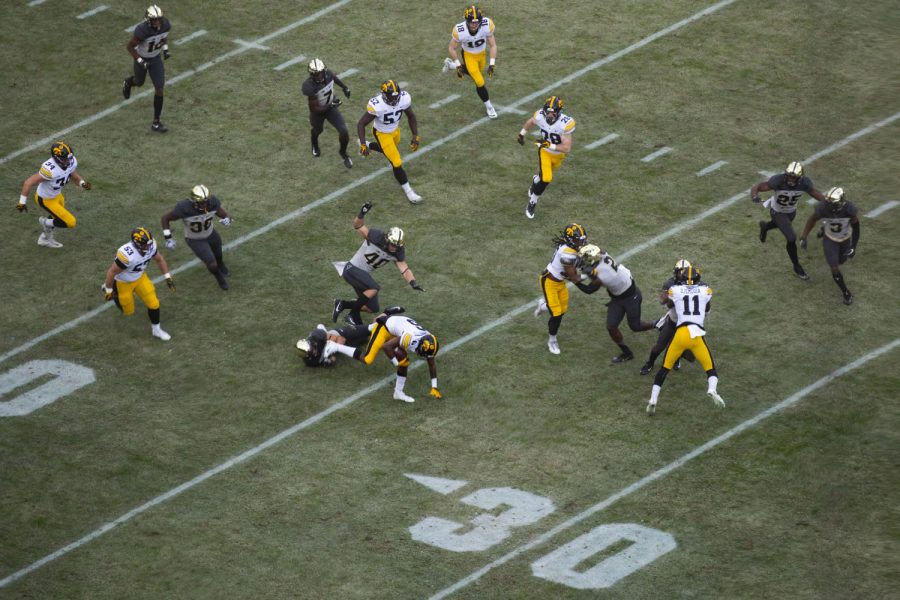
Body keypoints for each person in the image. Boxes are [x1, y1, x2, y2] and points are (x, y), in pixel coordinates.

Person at [646, 262, 725, 416]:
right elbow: (707, 308)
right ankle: (712, 389)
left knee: (664, 369)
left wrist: (668, 294)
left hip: (681, 333)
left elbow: (663, 300)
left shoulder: (675, 289)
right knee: (711, 369)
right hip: (697, 334)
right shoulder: (705, 290)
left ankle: (653, 399)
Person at [332, 202, 424, 326]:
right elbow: (358, 226)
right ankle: (353, 314)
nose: (394, 248)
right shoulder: (375, 237)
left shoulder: (397, 252)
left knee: (372, 308)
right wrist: (362, 213)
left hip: (363, 275)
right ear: (387, 239)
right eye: (393, 244)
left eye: (397, 246)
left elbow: (405, 269)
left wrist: (413, 282)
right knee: (374, 288)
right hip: (351, 269)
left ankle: (342, 304)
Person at [329, 308, 441, 403]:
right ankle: (336, 347)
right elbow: (386, 347)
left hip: (398, 330)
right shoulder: (410, 338)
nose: (424, 355)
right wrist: (396, 363)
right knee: (368, 359)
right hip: (384, 328)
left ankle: (398, 393)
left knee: (404, 361)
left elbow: (431, 364)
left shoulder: (428, 341)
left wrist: (434, 387)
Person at [574, 244, 656, 363]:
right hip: (618, 296)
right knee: (611, 327)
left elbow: (589, 290)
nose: (582, 261)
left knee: (635, 326)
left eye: (584, 259)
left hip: (631, 297)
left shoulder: (601, 274)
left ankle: (658, 324)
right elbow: (597, 250)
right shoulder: (602, 254)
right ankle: (627, 353)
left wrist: (575, 281)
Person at [750, 161, 827, 280]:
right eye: (789, 176)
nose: (791, 179)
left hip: (791, 212)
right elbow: (759, 186)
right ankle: (797, 266)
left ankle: (765, 226)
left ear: (799, 177)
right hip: (777, 211)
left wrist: (826, 202)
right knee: (791, 237)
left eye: (794, 177)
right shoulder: (778, 180)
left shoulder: (804, 183)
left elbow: (814, 192)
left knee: (781, 225)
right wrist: (754, 195)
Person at [102, 227, 176, 341]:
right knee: (128, 311)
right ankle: (111, 290)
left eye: (149, 243)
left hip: (140, 277)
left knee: (154, 303)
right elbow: (112, 272)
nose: (149, 247)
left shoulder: (151, 246)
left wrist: (168, 277)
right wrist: (108, 289)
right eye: (146, 245)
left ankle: (156, 330)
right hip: (123, 282)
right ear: (137, 244)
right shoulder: (126, 254)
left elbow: (160, 259)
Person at [357, 80, 423, 204]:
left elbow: (411, 116)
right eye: (390, 97)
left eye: (396, 97)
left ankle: (370, 145)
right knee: (396, 162)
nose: (394, 100)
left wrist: (415, 136)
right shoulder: (377, 105)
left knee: (388, 151)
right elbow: (361, 123)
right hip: (382, 133)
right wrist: (362, 144)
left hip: (395, 131)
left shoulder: (403, 98)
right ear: (383, 95)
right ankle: (409, 192)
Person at [16, 141, 91, 249]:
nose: (69, 161)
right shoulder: (50, 170)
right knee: (70, 222)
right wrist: (21, 203)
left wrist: (82, 184)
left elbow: (74, 175)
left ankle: (44, 239)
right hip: (45, 199)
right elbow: (28, 182)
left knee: (56, 216)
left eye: (70, 158)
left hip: (57, 196)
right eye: (66, 159)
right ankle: (45, 223)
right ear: (57, 158)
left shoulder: (70, 162)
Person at [160, 184, 232, 290]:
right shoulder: (184, 208)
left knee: (218, 255)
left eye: (205, 201)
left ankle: (221, 265)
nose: (204, 205)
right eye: (201, 202)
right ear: (194, 201)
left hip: (211, 233)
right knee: (212, 264)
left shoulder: (212, 203)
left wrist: (227, 219)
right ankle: (219, 277)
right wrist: (168, 238)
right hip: (195, 239)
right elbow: (165, 218)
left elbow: (225, 215)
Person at [798, 187, 860, 306]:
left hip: (845, 238)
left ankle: (825, 226)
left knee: (842, 260)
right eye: (830, 203)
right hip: (830, 239)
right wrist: (803, 236)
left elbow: (856, 228)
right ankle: (846, 292)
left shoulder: (850, 209)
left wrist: (853, 246)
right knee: (834, 266)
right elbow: (811, 220)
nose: (831, 207)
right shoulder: (823, 207)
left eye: (834, 204)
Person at [533, 223, 588, 354]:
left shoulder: (570, 247)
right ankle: (552, 341)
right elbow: (574, 278)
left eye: (582, 239)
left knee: (562, 310)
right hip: (550, 282)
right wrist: (591, 272)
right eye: (577, 239)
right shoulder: (566, 254)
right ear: (570, 240)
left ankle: (543, 306)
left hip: (560, 282)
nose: (581, 242)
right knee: (556, 314)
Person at [517, 96, 576, 219]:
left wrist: (550, 145)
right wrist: (521, 134)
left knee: (544, 175)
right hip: (544, 151)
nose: (550, 114)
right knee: (547, 178)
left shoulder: (565, 123)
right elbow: (531, 122)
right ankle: (533, 201)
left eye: (553, 112)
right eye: (548, 111)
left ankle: (536, 180)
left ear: (559, 112)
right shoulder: (539, 115)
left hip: (558, 155)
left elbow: (567, 148)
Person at [640, 259, 696, 375]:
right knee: (659, 347)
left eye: (680, 272)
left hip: (687, 324)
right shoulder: (671, 284)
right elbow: (664, 302)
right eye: (678, 272)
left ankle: (677, 356)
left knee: (691, 357)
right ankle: (650, 363)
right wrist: (676, 295)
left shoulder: (696, 285)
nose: (678, 274)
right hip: (673, 321)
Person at [122, 5, 172, 133]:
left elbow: (163, 37)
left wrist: (165, 50)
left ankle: (156, 122)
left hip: (155, 58)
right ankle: (128, 82)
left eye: (159, 19)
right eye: (155, 20)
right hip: (142, 57)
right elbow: (130, 47)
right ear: (149, 20)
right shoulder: (142, 30)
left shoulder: (165, 24)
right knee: (139, 82)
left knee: (159, 88)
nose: (158, 22)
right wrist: (140, 61)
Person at [442, 5, 498, 119]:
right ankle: (489, 107)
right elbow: (451, 48)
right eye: (471, 22)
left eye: (476, 22)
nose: (474, 24)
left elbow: (493, 45)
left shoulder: (487, 25)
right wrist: (459, 64)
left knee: (476, 71)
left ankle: (450, 65)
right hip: (468, 55)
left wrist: (492, 63)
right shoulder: (460, 30)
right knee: (479, 81)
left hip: (481, 54)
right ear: (466, 20)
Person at [302, 58, 353, 168]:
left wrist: (345, 88)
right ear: (312, 74)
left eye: (320, 73)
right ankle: (314, 144)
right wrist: (331, 105)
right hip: (318, 112)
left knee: (344, 131)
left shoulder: (328, 74)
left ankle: (343, 152)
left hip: (330, 108)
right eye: (316, 74)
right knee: (318, 130)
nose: (319, 76)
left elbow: (334, 78)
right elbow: (314, 109)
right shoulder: (309, 86)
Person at [295, 322, 371, 367]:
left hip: (342, 334)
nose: (314, 352)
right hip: (344, 345)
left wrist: (332, 347)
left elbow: (341, 339)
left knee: (371, 328)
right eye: (311, 352)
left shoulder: (318, 337)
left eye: (312, 349)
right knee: (367, 339)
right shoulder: (311, 362)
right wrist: (330, 359)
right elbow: (332, 360)